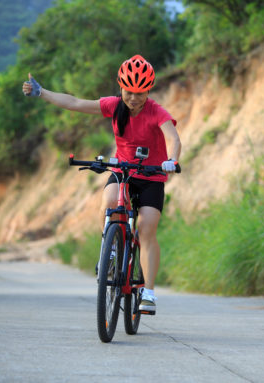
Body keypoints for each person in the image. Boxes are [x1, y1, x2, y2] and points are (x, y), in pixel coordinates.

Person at [22, 54, 181, 314]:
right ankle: (109, 253)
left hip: (152, 176)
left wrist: (172, 161)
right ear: (121, 87)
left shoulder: (157, 112)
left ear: (148, 91)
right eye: (129, 92)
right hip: (123, 169)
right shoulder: (114, 105)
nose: (133, 98)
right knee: (108, 202)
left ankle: (148, 293)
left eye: (140, 93)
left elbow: (173, 138)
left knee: (147, 227)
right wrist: (42, 93)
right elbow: (75, 102)